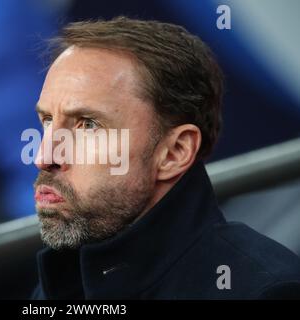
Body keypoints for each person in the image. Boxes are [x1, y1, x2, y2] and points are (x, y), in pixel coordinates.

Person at [30, 17, 300, 299]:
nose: (44, 157)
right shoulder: (64, 280)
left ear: (174, 153)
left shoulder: (261, 291)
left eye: (88, 125)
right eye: (47, 120)